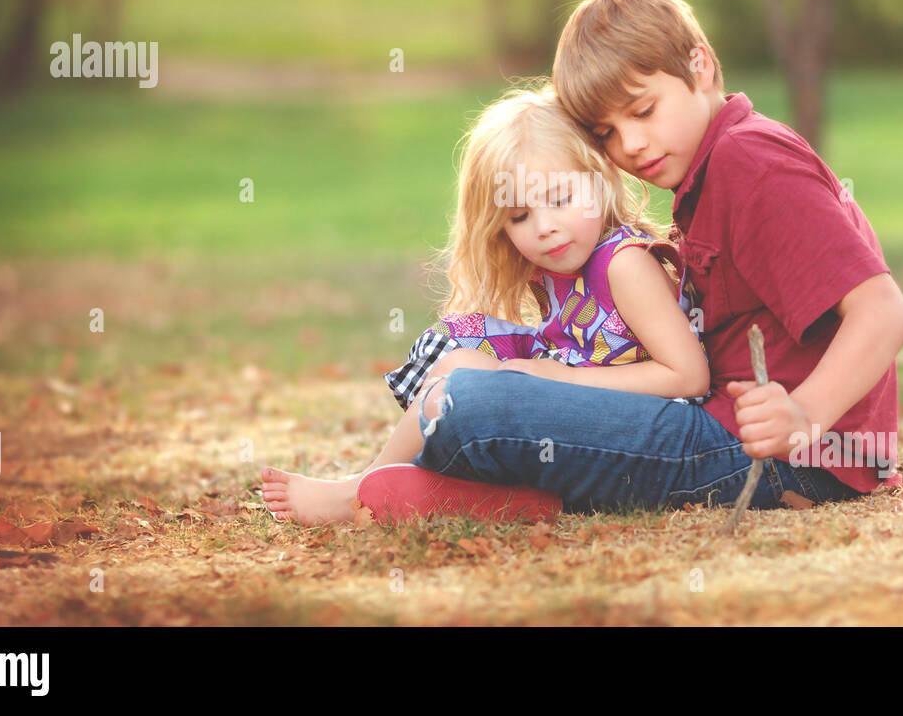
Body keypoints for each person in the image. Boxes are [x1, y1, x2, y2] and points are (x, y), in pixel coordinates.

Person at [358, 0, 903, 516]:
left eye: (643, 111)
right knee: (465, 378)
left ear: (700, 65)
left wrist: (805, 415)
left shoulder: (752, 163)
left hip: (782, 458)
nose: (632, 145)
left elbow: (883, 313)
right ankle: (490, 499)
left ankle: (376, 490)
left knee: (472, 400)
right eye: (606, 133)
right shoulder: (707, 175)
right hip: (724, 431)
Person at [261, 81, 710, 524]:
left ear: (598, 182)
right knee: (458, 361)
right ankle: (462, 491)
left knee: (473, 386)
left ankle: (356, 494)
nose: (545, 227)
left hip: (650, 432)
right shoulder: (561, 270)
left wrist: (564, 377)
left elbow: (688, 377)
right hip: (590, 415)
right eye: (519, 215)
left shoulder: (624, 265)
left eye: (559, 199)